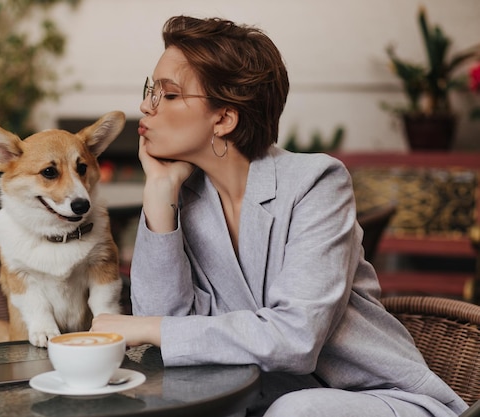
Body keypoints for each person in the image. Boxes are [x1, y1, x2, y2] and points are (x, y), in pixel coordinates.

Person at [91, 15, 467, 417]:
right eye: (151, 90)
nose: (145, 106)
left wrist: (148, 328)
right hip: (257, 403)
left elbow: (295, 337)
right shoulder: (183, 196)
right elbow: (167, 334)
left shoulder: (317, 184)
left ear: (224, 118)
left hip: (379, 398)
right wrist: (160, 192)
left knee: (297, 410)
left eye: (168, 94)